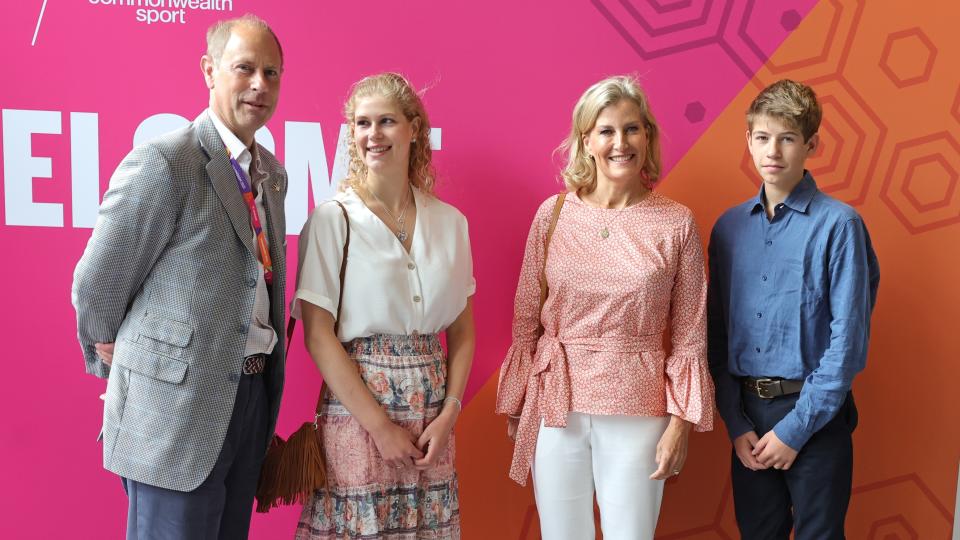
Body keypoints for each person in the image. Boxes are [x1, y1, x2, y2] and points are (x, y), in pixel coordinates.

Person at [71, 15, 287, 540]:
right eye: (244, 68)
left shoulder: (272, 174)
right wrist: (122, 360)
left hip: (252, 396)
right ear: (210, 71)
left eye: (272, 72)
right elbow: (95, 285)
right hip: (175, 409)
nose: (260, 84)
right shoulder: (166, 163)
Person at [496, 75, 715, 540]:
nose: (621, 143)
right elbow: (525, 319)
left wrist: (679, 425)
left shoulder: (675, 222)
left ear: (648, 137)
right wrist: (518, 402)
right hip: (556, 403)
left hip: (637, 408)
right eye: (607, 131)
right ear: (586, 140)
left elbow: (690, 334)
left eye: (633, 129)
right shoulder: (552, 215)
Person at [292, 73, 475, 540]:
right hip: (359, 414)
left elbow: (462, 331)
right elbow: (317, 333)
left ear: (414, 128)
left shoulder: (451, 223)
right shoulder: (333, 219)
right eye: (362, 123)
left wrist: (449, 413)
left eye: (386, 121)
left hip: (432, 419)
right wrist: (380, 427)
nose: (373, 135)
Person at [707, 79, 880, 539]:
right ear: (748, 140)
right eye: (762, 138)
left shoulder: (840, 225)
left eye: (787, 138)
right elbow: (717, 335)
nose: (773, 151)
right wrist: (734, 421)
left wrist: (794, 431)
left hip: (816, 414)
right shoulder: (727, 230)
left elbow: (847, 342)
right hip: (747, 417)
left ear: (811, 144)